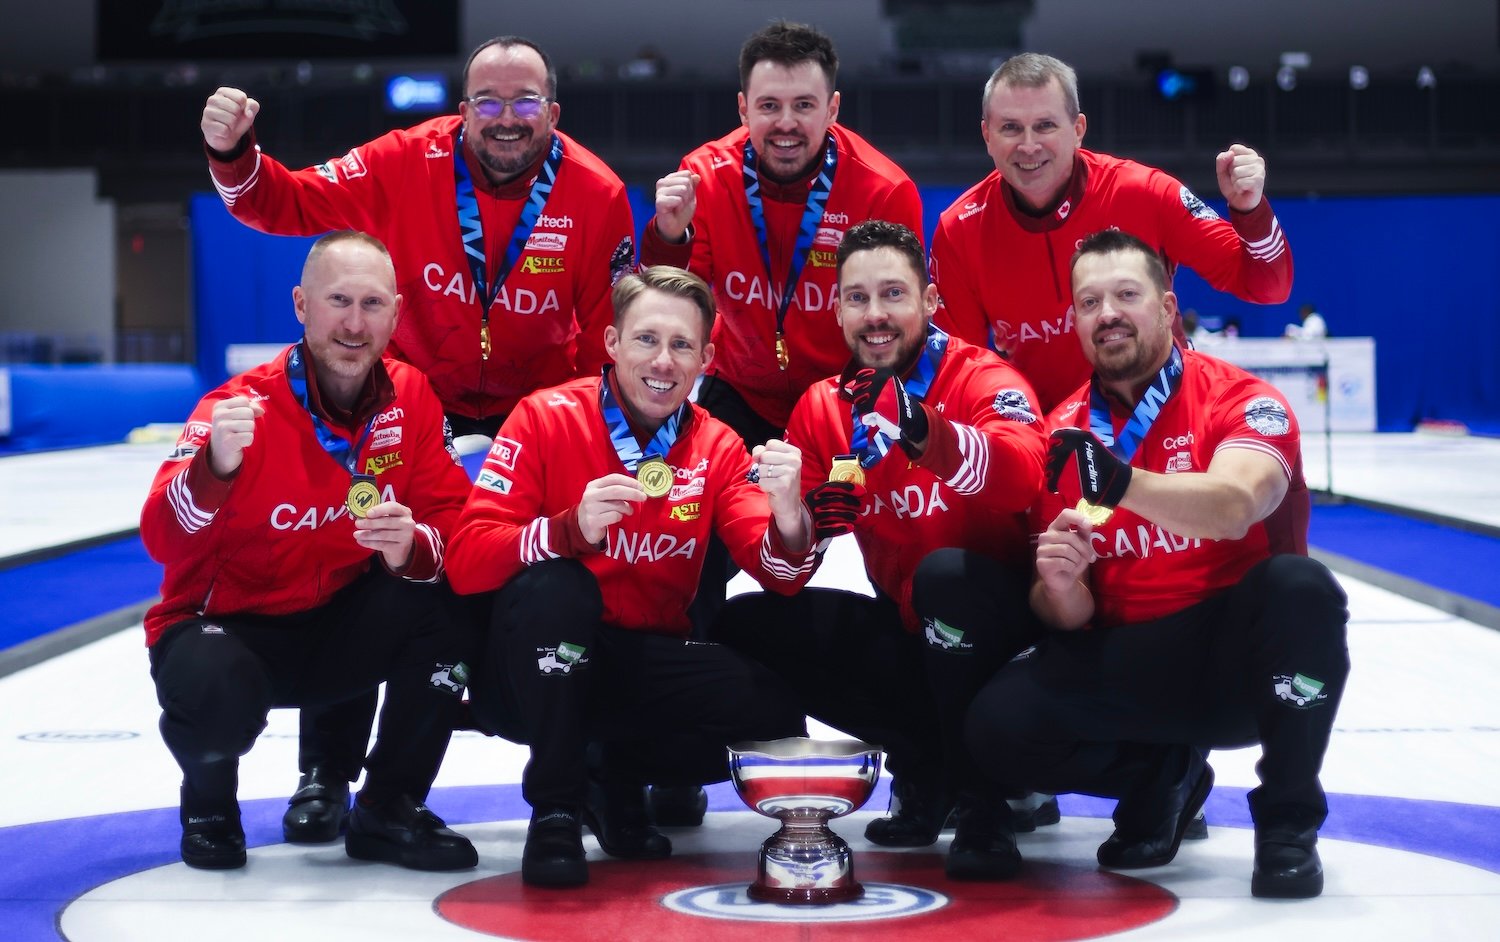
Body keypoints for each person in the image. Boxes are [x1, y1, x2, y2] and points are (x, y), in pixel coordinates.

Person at [201, 35, 636, 843]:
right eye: (490, 102)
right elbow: (283, 204)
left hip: (529, 405)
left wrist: (584, 443)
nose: (507, 120)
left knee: (557, 560)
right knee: (360, 552)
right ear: (462, 109)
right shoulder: (400, 160)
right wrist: (234, 152)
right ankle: (327, 772)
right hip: (408, 396)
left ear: (554, 112)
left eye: (526, 102)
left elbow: (599, 342)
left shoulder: (598, 193)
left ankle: (599, 769)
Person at [965, 229, 1349, 898]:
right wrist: (1057, 585)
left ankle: (1289, 821)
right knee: (994, 728)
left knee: (1302, 588)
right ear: (1076, 323)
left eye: (1126, 295)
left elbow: (1236, 503)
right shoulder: (1062, 435)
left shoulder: (1239, 400)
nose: (1108, 313)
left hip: (1237, 662)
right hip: (1130, 656)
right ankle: (1160, 776)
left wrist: (1121, 482)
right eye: (1089, 301)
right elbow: (1066, 609)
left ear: (1168, 309)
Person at [444, 266, 818, 888]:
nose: (663, 362)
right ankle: (557, 807)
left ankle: (612, 775)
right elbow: (465, 561)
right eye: (646, 339)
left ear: (707, 359)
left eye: (681, 346)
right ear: (612, 344)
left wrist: (789, 517)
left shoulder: (719, 447)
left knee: (772, 717)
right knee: (560, 588)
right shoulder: (543, 418)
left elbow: (778, 574)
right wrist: (566, 530)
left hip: (638, 660)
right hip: (530, 670)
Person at [713, 220, 1049, 880]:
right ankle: (927, 767)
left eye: (893, 294)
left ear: (929, 301)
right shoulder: (823, 408)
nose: (876, 316)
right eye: (858, 298)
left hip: (1012, 649)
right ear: (837, 310)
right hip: (917, 636)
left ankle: (983, 802)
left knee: (944, 579)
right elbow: (783, 574)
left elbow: (1022, 475)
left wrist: (919, 425)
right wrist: (794, 519)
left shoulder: (982, 378)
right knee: (747, 622)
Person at [139, 231, 480, 872]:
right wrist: (212, 469)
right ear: (301, 306)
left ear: (398, 313)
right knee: (212, 683)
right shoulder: (235, 409)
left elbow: (455, 525)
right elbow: (160, 538)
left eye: (373, 304)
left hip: (335, 631)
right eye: (338, 301)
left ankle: (388, 804)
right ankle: (209, 803)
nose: (355, 324)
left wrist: (414, 546)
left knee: (450, 603)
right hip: (232, 632)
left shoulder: (412, 396)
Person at [930, 52, 1294, 413]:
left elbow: (1267, 286)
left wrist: (1250, 210)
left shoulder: (1144, 191)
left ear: (1078, 131)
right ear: (987, 135)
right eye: (1011, 127)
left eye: (1045, 125)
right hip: (1052, 441)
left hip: (1166, 417)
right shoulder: (960, 229)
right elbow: (962, 370)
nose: (1028, 146)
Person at [643, 20, 924, 446]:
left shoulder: (883, 191)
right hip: (740, 391)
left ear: (832, 109)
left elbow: (904, 324)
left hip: (847, 391)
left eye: (804, 106)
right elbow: (667, 308)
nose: (786, 123)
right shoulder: (703, 177)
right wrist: (667, 235)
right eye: (769, 105)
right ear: (743, 108)